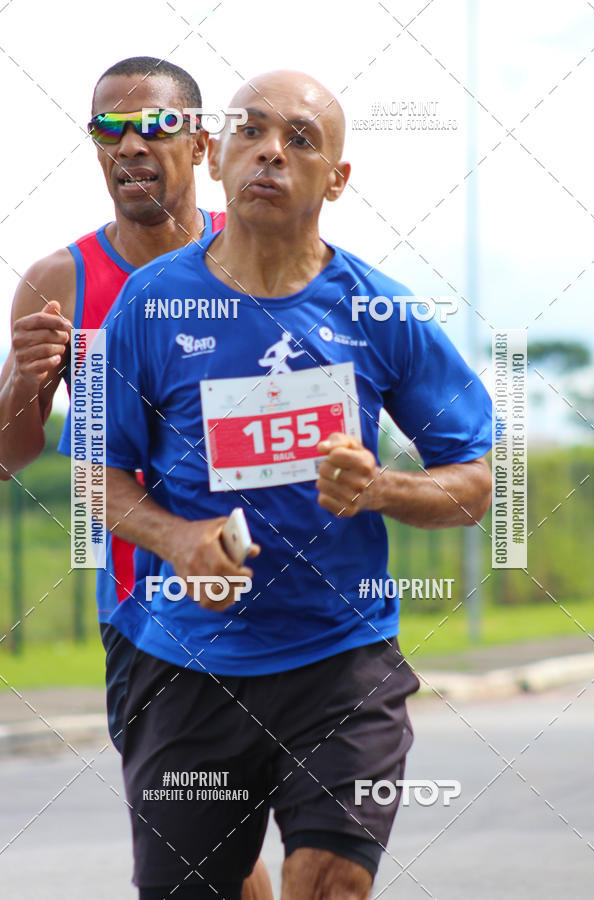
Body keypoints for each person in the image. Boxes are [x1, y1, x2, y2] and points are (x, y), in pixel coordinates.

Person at [83, 69, 493, 900]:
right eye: (252, 132)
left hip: (341, 661)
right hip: (187, 663)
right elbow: (96, 471)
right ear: (220, 154)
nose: (271, 151)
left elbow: (477, 481)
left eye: (299, 140)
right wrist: (177, 539)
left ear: (336, 179)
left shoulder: (382, 313)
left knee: (331, 881)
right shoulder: (148, 305)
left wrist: (382, 488)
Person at [0, 56, 272, 900]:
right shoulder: (59, 282)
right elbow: (14, 454)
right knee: (203, 852)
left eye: (151, 126)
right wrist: (20, 383)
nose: (129, 146)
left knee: (310, 850)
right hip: (147, 614)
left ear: (199, 141)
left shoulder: (264, 248)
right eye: (107, 130)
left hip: (278, 592)